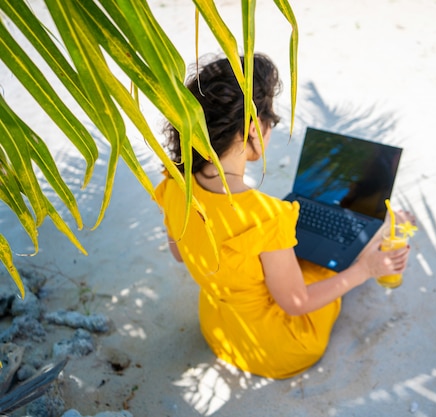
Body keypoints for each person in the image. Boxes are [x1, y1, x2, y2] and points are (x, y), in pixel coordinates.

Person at [155, 53, 411, 379]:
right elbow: (296, 303)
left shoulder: (174, 182)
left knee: (297, 252)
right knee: (327, 264)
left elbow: (180, 253)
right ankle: (378, 237)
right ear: (252, 128)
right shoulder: (265, 217)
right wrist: (366, 270)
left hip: (219, 329)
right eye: (270, 122)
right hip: (276, 348)